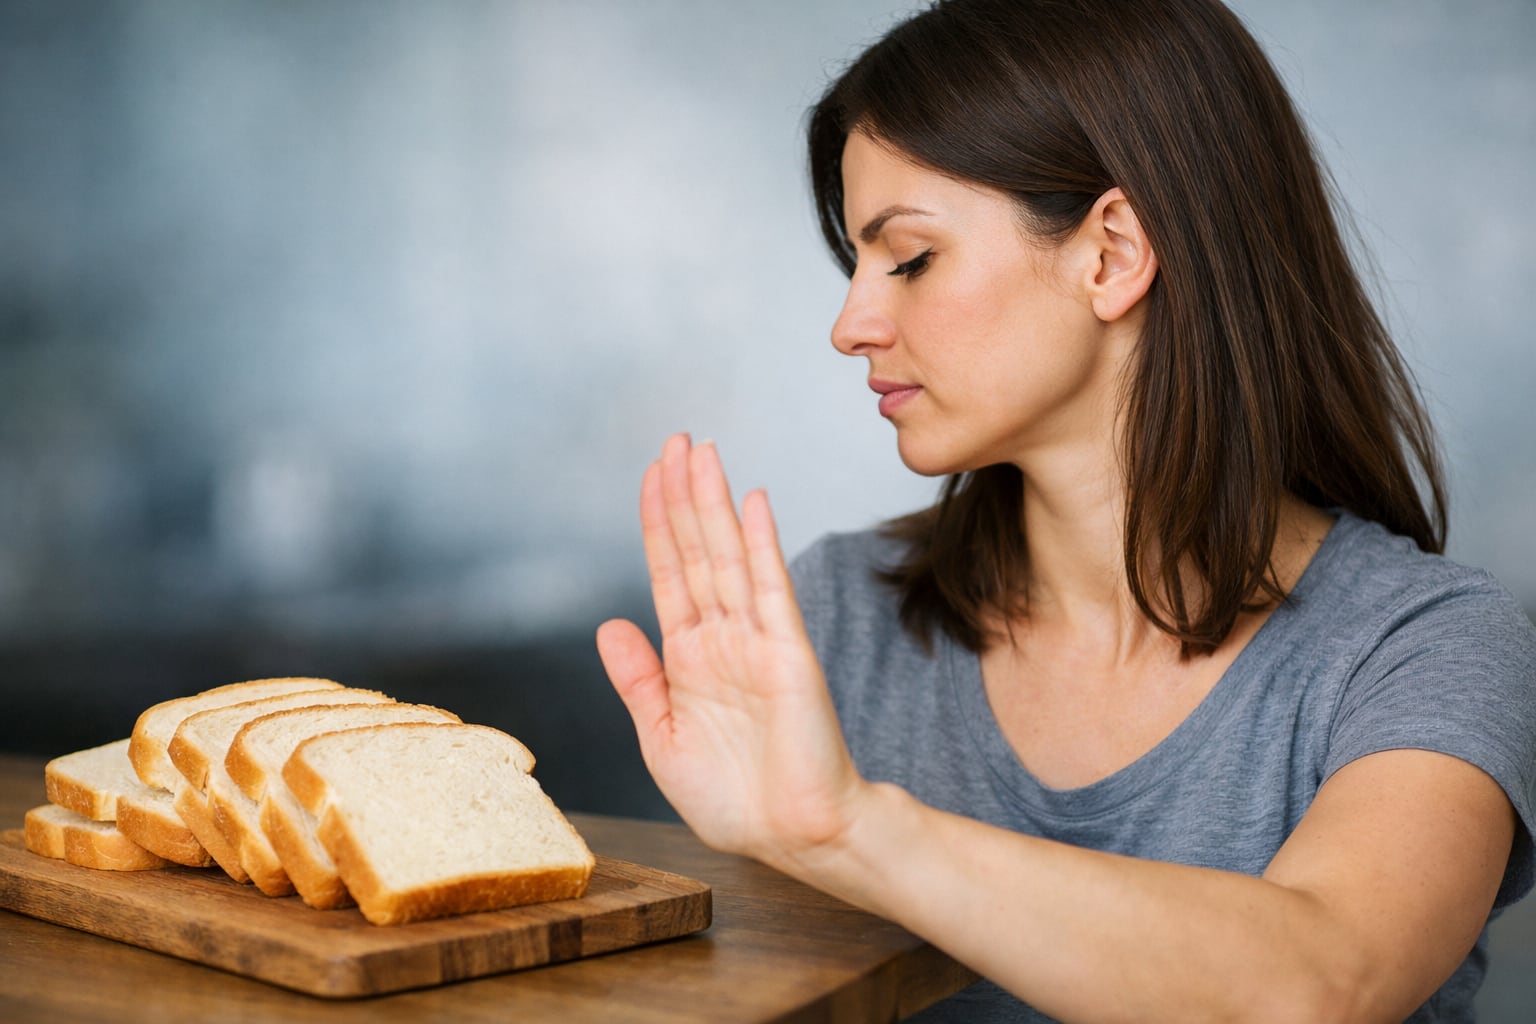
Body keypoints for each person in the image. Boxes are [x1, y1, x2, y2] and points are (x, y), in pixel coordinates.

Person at [594, 0, 1536, 1019]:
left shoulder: (1426, 646)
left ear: (1112, 253)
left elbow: (1326, 980)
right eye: (856, 267)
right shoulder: (829, 622)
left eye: (908, 258)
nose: (852, 324)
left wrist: (849, 829)